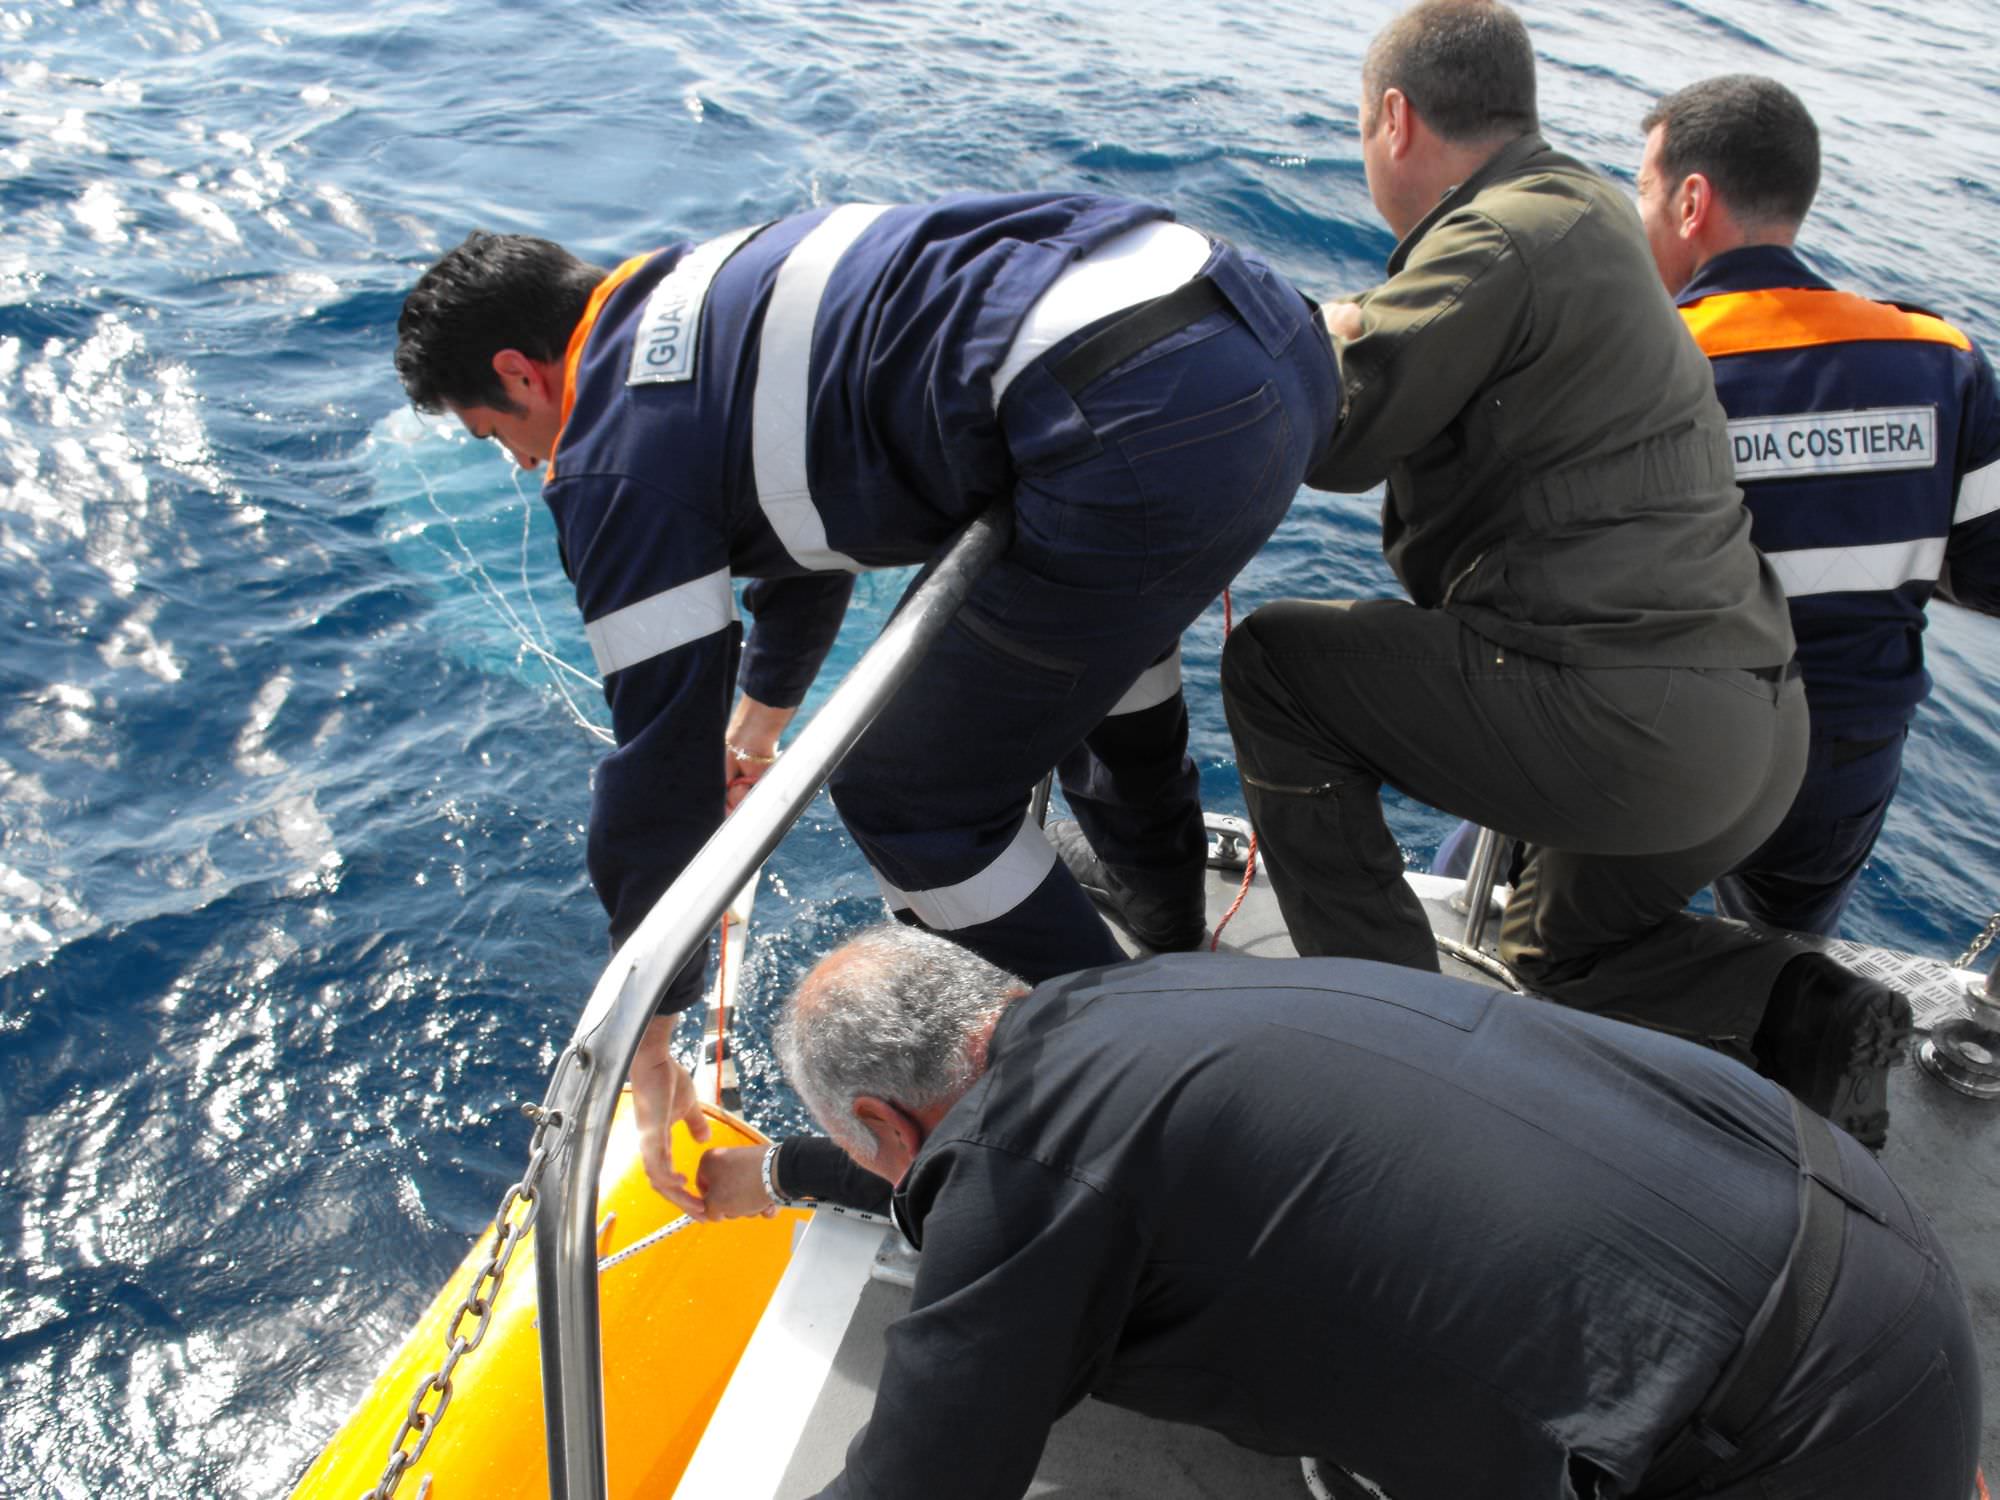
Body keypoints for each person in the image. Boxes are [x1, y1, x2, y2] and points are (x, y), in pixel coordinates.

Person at [394, 197, 1336, 1205]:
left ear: (518, 373)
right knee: (1109, 665)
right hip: (1262, 335)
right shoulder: (695, 291)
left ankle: (1151, 1081)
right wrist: (757, 721)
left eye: (500, 434)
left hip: (1127, 411)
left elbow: (654, 766)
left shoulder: (613, 447)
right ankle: (1167, 941)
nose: (526, 463)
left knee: (905, 794)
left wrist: (649, 1039)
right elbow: (807, 519)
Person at [1215, 0, 1912, 1145]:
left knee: (1272, 666)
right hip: (1758, 729)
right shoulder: (1589, 204)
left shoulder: (1491, 237)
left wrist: (1308, 328)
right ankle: (1798, 1006)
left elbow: (1336, 429)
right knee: (1547, 958)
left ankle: (1390, 1043)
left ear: (1393, 118)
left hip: (1630, 731)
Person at [715, 925, 1977, 1500]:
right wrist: (778, 1174)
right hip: (1873, 1262)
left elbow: (921, 1477)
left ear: (886, 1123)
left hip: (1778, 1448)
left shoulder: (1019, 1158)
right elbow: (986, 1180)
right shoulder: (1147, 999)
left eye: (861, 1156)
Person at [1634, 75, 2000, 936]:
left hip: (1670, 741)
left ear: (1693, 202)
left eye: (1642, 190)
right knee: (1780, 973)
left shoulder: (1653, 356)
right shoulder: (1942, 358)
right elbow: (1990, 573)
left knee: (1524, 925)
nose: (1637, 216)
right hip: (1846, 759)